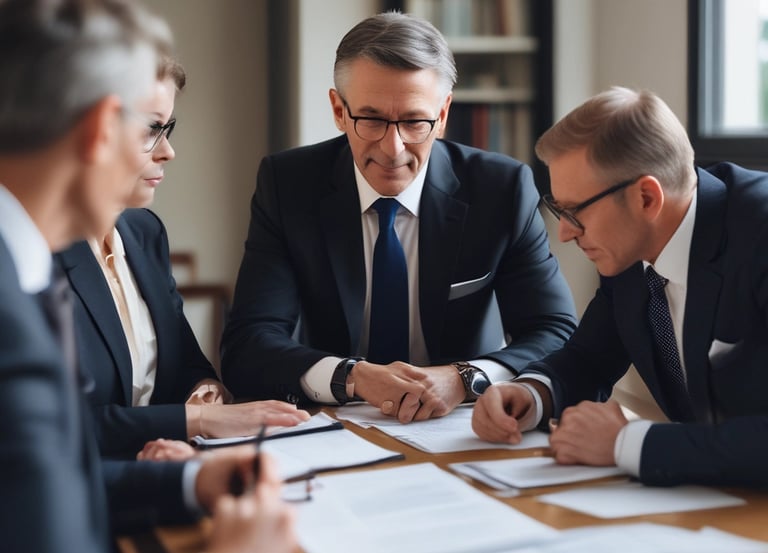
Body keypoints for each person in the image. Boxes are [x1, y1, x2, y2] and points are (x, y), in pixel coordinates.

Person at [0, 1, 295, 552]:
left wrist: (192, 480)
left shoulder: (23, 262)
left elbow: (53, 481)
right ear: (97, 130)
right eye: (152, 129)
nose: (169, 151)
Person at [221, 11, 577, 423]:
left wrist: (465, 377)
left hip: (463, 424)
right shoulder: (288, 185)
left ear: (442, 115)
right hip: (331, 425)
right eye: (371, 119)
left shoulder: (502, 189)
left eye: (413, 121)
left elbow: (556, 332)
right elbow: (248, 345)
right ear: (339, 111)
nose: (393, 148)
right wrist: (352, 376)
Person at [472, 86, 768, 488]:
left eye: (575, 211)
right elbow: (590, 356)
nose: (563, 233)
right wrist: (530, 393)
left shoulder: (758, 234)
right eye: (559, 209)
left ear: (647, 197)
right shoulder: (631, 248)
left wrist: (627, 443)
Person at [56, 54, 309, 459]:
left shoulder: (144, 233)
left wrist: (202, 393)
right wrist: (199, 421)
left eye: (167, 128)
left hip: (166, 471)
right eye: (151, 129)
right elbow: (58, 428)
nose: (168, 152)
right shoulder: (31, 257)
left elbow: (186, 364)